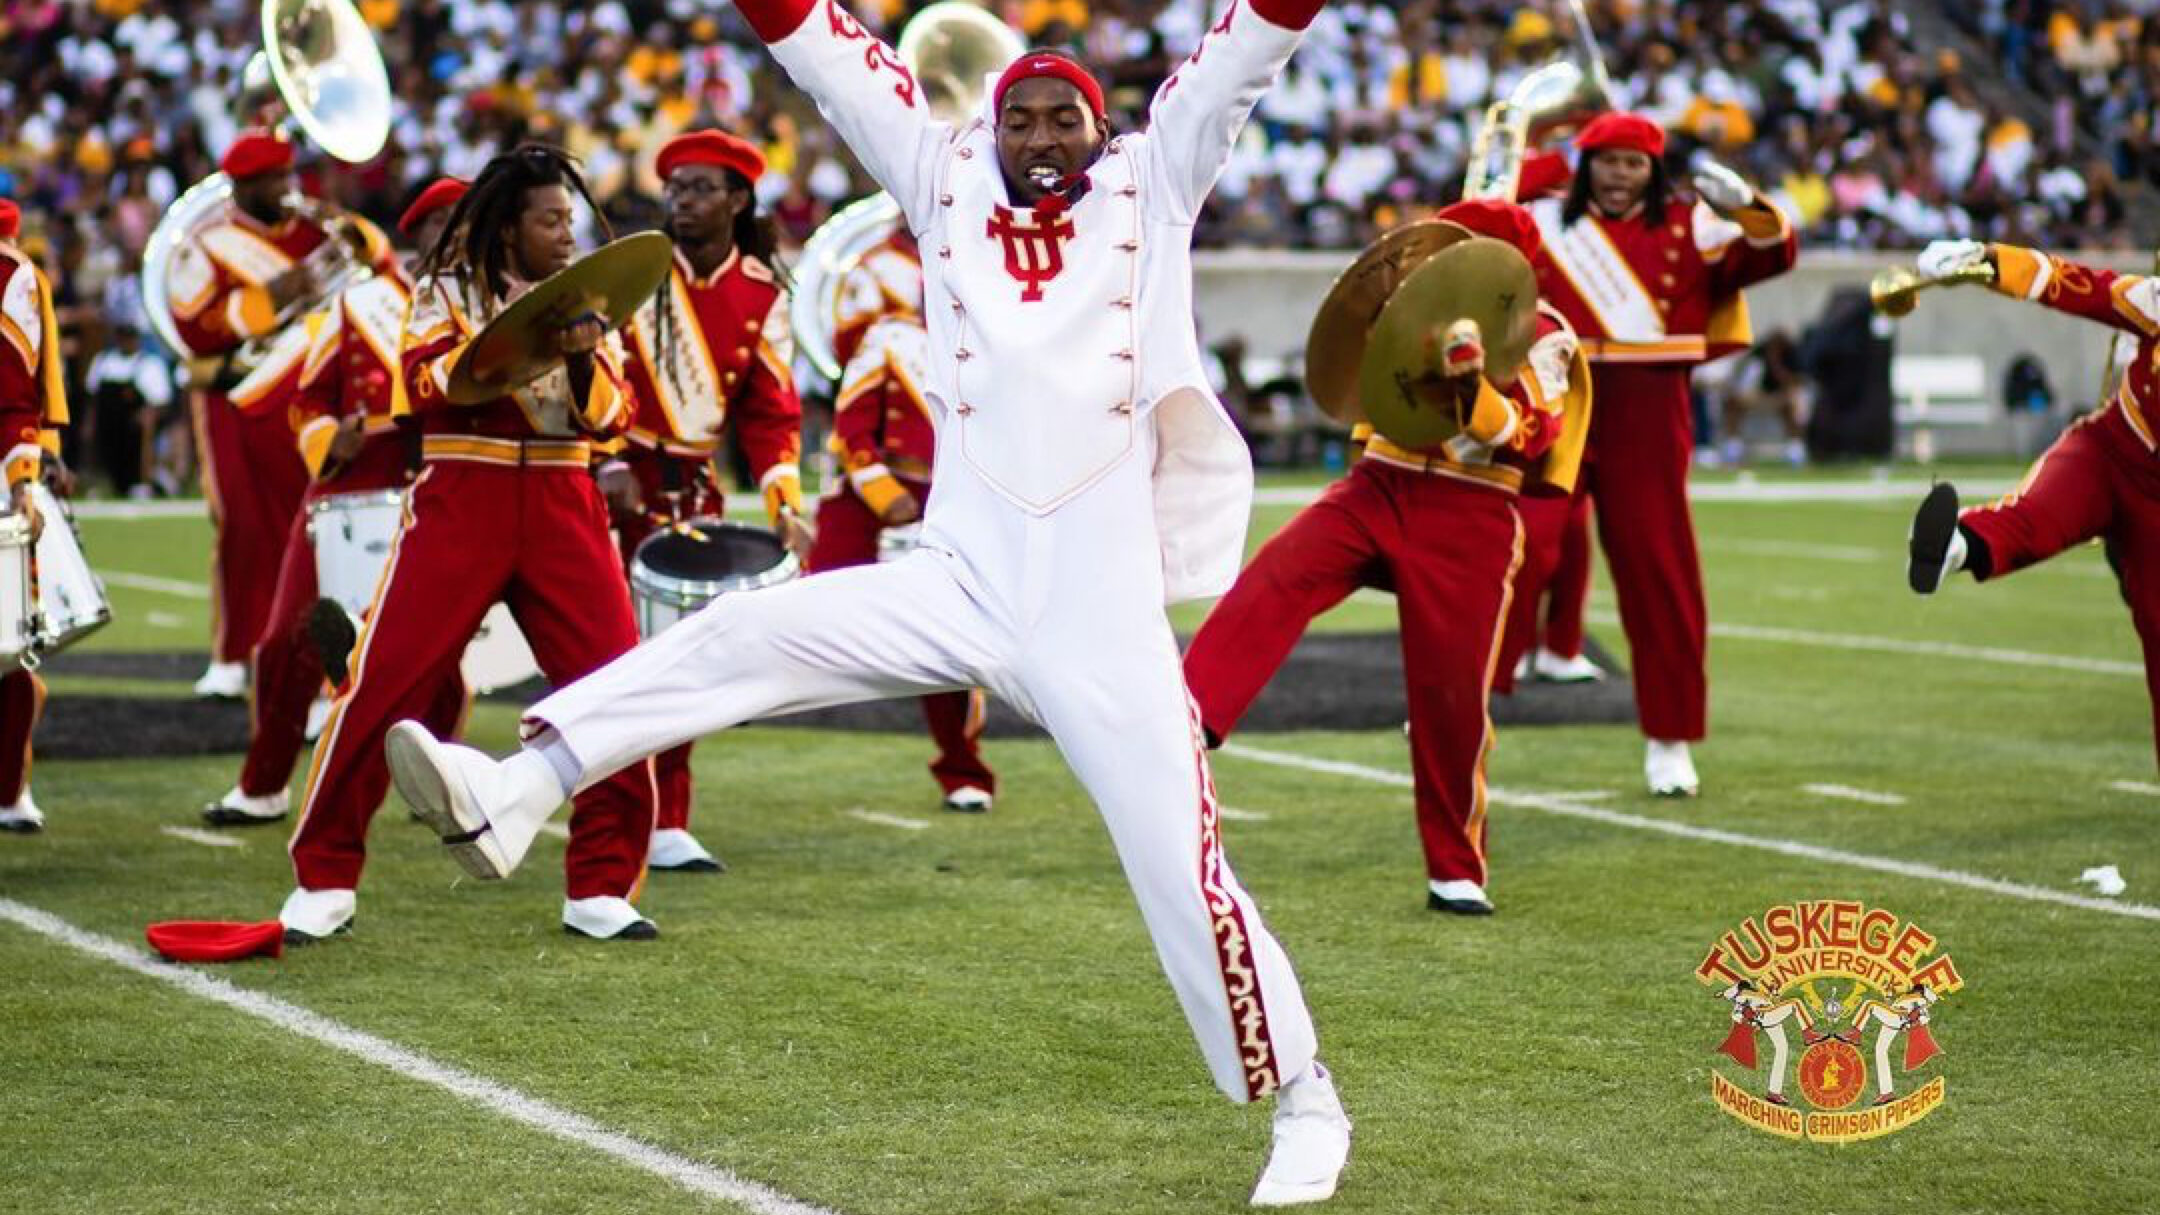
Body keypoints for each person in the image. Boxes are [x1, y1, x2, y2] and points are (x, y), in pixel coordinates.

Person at [386, 4, 1353, 1203]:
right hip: (961, 571)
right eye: (1022, 119)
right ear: (989, 129)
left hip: (1099, 610)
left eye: (1068, 120)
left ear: (1105, 135)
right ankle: (515, 790)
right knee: (745, 630)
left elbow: (1249, 52)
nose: (1043, 138)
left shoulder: (1154, 182)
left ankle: (1305, 1097)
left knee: (1176, 864)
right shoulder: (942, 175)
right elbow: (827, 55)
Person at [277, 146, 661, 944]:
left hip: (564, 497)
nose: (567, 233)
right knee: (381, 683)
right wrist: (528, 336)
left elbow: (614, 414)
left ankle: (600, 884)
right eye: (550, 219)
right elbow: (421, 386)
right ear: (508, 227)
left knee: (617, 689)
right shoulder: (439, 291)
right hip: (463, 493)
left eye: (571, 218)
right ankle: (324, 875)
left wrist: (585, 350)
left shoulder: (592, 297)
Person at [1184, 199, 1588, 917]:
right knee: (1278, 574)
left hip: (1472, 515)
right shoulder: (1416, 313)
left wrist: (1472, 383)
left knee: (1451, 695)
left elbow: (1528, 430)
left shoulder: (1548, 333)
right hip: (1380, 482)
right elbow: (1353, 386)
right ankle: (1186, 724)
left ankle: (1456, 866)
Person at [1527, 113, 1799, 795]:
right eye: (1607, 161)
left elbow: (1770, 256)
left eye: (1634, 163)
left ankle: (1669, 738)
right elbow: (1469, 220)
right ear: (1584, 163)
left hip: (1650, 407)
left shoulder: (1691, 222)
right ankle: (1466, 703)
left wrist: (1746, 207)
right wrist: (1546, 163)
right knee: (1516, 549)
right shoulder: (1541, 216)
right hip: (1556, 395)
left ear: (1654, 171)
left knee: (1659, 573)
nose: (1620, 175)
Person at [200, 179, 472, 829]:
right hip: (345, 486)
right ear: (420, 236)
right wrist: (333, 439)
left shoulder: (487, 310)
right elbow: (307, 401)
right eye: (443, 228)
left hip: (434, 487)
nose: (456, 240)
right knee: (286, 636)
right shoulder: (362, 302)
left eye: (465, 227)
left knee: (440, 650)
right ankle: (262, 785)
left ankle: (441, 779)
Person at [603, 128, 813, 873]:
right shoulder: (631, 270)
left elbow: (769, 411)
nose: (680, 201)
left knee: (683, 659)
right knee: (602, 654)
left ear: (737, 198)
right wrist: (604, 457)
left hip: (692, 493)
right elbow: (584, 368)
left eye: (697, 189)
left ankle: (666, 818)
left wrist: (783, 492)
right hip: (610, 482)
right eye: (674, 189)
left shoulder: (761, 289)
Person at [1907, 238, 2160, 772]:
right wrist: (1983, 258)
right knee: (2035, 515)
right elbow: (2069, 283)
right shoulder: (2153, 300)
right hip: (2112, 449)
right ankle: (1952, 546)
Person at [165, 131, 393, 700]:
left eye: (287, 175)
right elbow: (196, 324)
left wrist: (355, 235)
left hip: (311, 395)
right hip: (238, 396)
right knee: (242, 523)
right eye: (271, 180)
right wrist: (281, 291)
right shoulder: (209, 243)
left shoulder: (320, 228)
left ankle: (321, 668)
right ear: (242, 187)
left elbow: (381, 269)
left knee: (311, 523)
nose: (285, 188)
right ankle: (232, 653)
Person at [811, 223, 999, 812]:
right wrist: (881, 489)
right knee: (813, 613)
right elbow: (851, 427)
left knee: (949, 644)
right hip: (873, 498)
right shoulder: (888, 337)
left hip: (947, 499)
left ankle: (964, 769)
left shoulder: (986, 341)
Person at [0, 198, 69, 832]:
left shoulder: (10, 274)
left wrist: (28, 476)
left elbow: (18, 396)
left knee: (10, 646)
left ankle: (9, 787)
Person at [82, 323, 172, 498]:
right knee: (94, 430)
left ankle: (143, 481)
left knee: (144, 427)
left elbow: (160, 401)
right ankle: (97, 483)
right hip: (107, 419)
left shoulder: (149, 364)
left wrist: (146, 415)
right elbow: (92, 397)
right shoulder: (104, 362)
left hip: (134, 422)